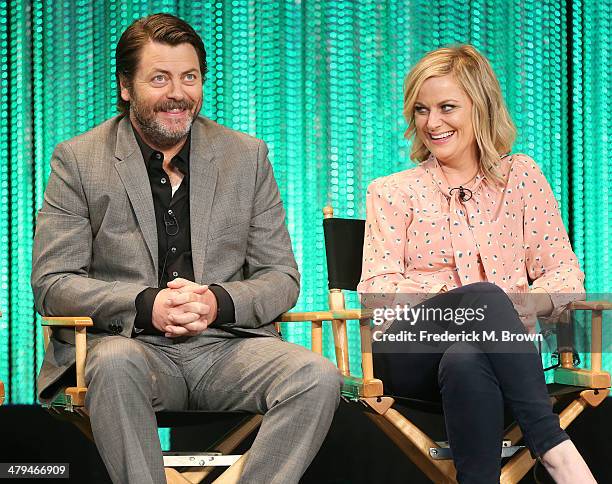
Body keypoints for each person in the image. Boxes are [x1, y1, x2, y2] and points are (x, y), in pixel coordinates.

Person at [31, 13, 342, 484]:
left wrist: (215, 302)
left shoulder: (246, 156)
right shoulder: (79, 160)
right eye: (160, 78)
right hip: (130, 347)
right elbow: (53, 285)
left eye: (189, 77)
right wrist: (146, 304)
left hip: (227, 349)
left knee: (316, 375)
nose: (178, 93)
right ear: (125, 87)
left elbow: (282, 278)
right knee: (114, 364)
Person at [357, 45, 595, 483]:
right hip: (409, 350)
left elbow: (565, 274)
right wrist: (473, 307)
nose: (432, 123)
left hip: (501, 357)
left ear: (481, 108)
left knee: (468, 356)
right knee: (485, 300)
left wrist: (518, 307)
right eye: (422, 110)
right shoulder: (392, 191)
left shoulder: (521, 178)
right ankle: (558, 452)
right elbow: (378, 288)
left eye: (447, 107)